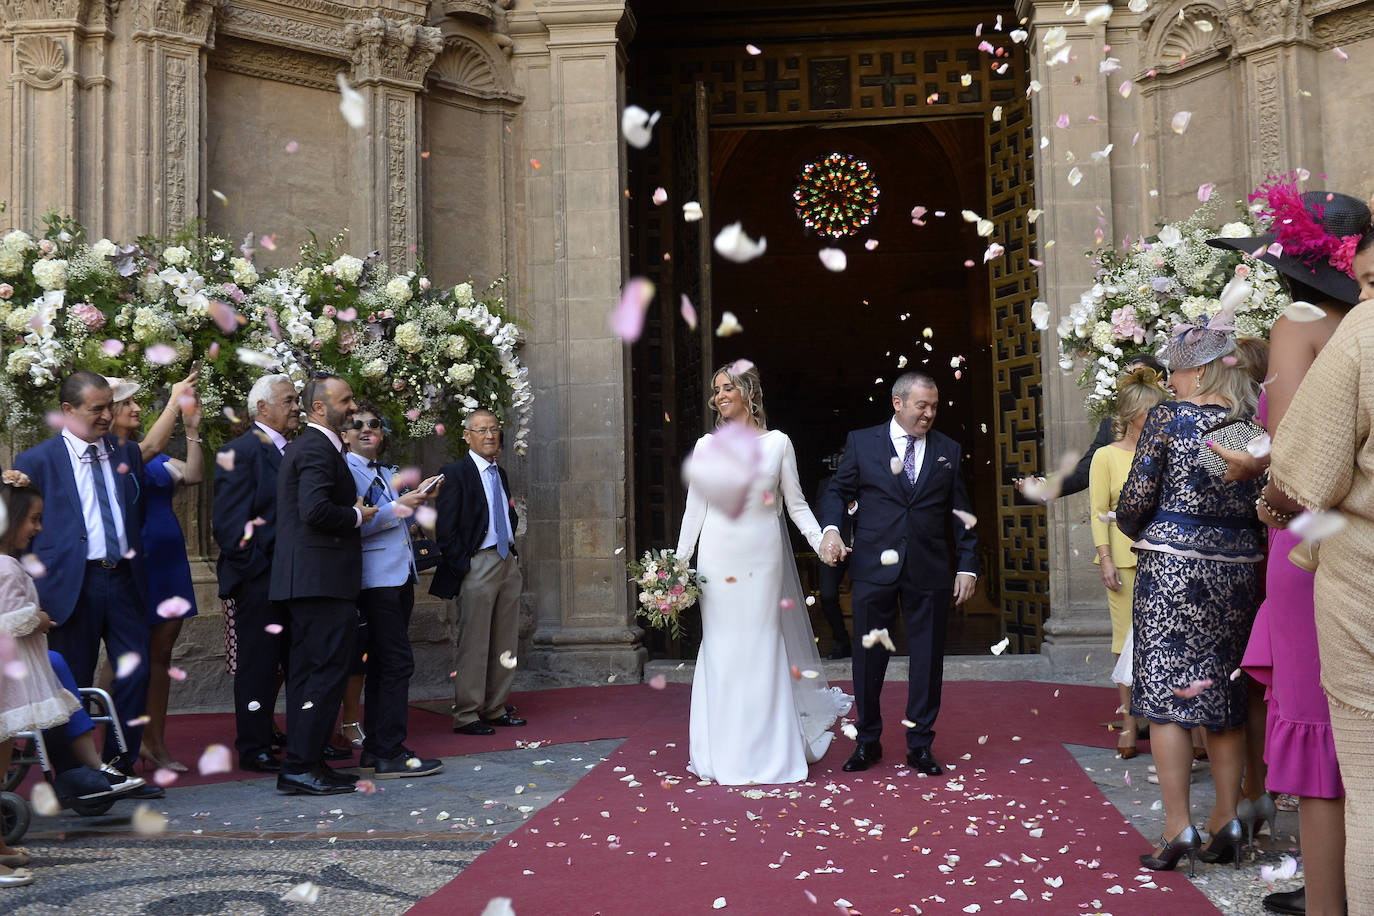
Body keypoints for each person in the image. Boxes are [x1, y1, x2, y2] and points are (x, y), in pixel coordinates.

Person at [1216, 208, 1374, 916]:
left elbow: (1290, 450)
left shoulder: (1299, 325)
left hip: (1313, 536)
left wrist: (1254, 481)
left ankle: (1327, 903)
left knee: (1321, 733)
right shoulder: (1358, 322)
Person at [1115, 320, 1265, 877]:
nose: (1168, 380)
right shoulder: (1249, 429)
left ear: (1198, 371)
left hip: (1173, 570)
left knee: (1167, 695)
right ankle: (1227, 817)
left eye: (1174, 370)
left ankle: (1178, 826)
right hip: (1238, 571)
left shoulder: (1167, 418)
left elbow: (1135, 497)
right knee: (1225, 687)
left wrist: (1141, 532)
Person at [674, 363, 849, 785]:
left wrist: (821, 538)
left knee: (761, 649)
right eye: (715, 390)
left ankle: (769, 754)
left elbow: (798, 504)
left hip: (762, 559)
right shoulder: (704, 447)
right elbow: (694, 511)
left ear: (749, 393)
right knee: (722, 650)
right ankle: (721, 752)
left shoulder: (778, 444)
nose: (719, 396)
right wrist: (675, 567)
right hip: (717, 559)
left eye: (727, 387)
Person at [820, 371, 979, 776]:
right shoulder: (862, 442)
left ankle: (920, 745)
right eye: (921, 405)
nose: (929, 414)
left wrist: (967, 565)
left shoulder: (948, 449)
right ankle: (867, 740)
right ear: (898, 402)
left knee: (927, 660)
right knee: (868, 659)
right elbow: (838, 492)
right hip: (874, 566)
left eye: (934, 407)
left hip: (929, 568)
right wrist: (832, 530)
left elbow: (962, 514)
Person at [12, 371, 154, 783]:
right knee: (69, 679)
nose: (109, 415)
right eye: (98, 408)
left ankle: (118, 768)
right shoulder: (36, 461)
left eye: (111, 405)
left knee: (136, 672)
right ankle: (74, 777)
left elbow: (134, 515)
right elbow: (23, 534)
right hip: (69, 585)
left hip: (124, 579)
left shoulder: (125, 452)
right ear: (68, 411)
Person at [270, 374, 374, 795]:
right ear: (319, 408)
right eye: (346, 400)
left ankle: (309, 761)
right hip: (317, 581)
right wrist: (357, 516)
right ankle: (300, 767)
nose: (352, 407)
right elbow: (314, 510)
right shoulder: (315, 446)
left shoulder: (316, 445)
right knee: (319, 673)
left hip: (317, 579)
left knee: (320, 673)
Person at [107, 372, 201, 773]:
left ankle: (155, 742)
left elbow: (194, 474)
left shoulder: (156, 458)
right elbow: (152, 444)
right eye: (127, 403)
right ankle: (115, 747)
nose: (135, 408)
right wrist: (176, 399)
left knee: (162, 654)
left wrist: (194, 430)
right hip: (135, 563)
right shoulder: (110, 453)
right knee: (125, 657)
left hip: (168, 563)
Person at [342, 403, 443, 778]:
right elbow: (353, 525)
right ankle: (388, 750)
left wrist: (413, 497)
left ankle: (377, 749)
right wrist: (401, 507)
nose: (368, 430)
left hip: (399, 576)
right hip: (375, 581)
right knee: (397, 664)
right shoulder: (346, 472)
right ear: (345, 434)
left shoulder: (383, 472)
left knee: (386, 666)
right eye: (359, 425)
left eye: (375, 424)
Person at [213, 373, 299, 774]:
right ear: (261, 407)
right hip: (259, 581)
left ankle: (296, 737)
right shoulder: (240, 451)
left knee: (295, 663)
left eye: (297, 399)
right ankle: (254, 746)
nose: (296, 406)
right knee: (258, 666)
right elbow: (230, 528)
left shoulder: (296, 451)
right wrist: (260, 573)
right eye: (288, 400)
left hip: (296, 579)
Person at [1090, 366, 1170, 759]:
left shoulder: (1165, 452)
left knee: (1164, 639)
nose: (1155, 419)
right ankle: (1128, 721)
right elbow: (1098, 511)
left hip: (1163, 556)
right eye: (1149, 412)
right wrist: (1105, 558)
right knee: (1124, 641)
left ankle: (1167, 720)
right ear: (1131, 415)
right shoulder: (1105, 456)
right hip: (1122, 560)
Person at [431, 409, 526, 737]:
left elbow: (505, 514)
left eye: (494, 430)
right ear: (467, 436)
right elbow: (445, 528)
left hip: (506, 563)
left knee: (506, 640)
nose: (489, 436)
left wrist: (511, 552)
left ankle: (496, 707)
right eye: (481, 430)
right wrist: (465, 563)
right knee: (474, 641)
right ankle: (468, 713)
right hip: (478, 563)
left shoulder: (500, 473)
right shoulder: (455, 473)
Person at [1018, 354, 1167, 499]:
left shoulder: (1177, 421)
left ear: (1160, 383)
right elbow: (1085, 471)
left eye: (1139, 377)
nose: (1132, 384)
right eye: (1127, 378)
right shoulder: (1112, 425)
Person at [813, 454, 852, 659]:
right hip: (833, 547)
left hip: (864, 548)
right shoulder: (826, 485)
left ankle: (871, 645)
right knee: (827, 595)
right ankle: (842, 641)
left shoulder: (870, 482)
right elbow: (818, 512)